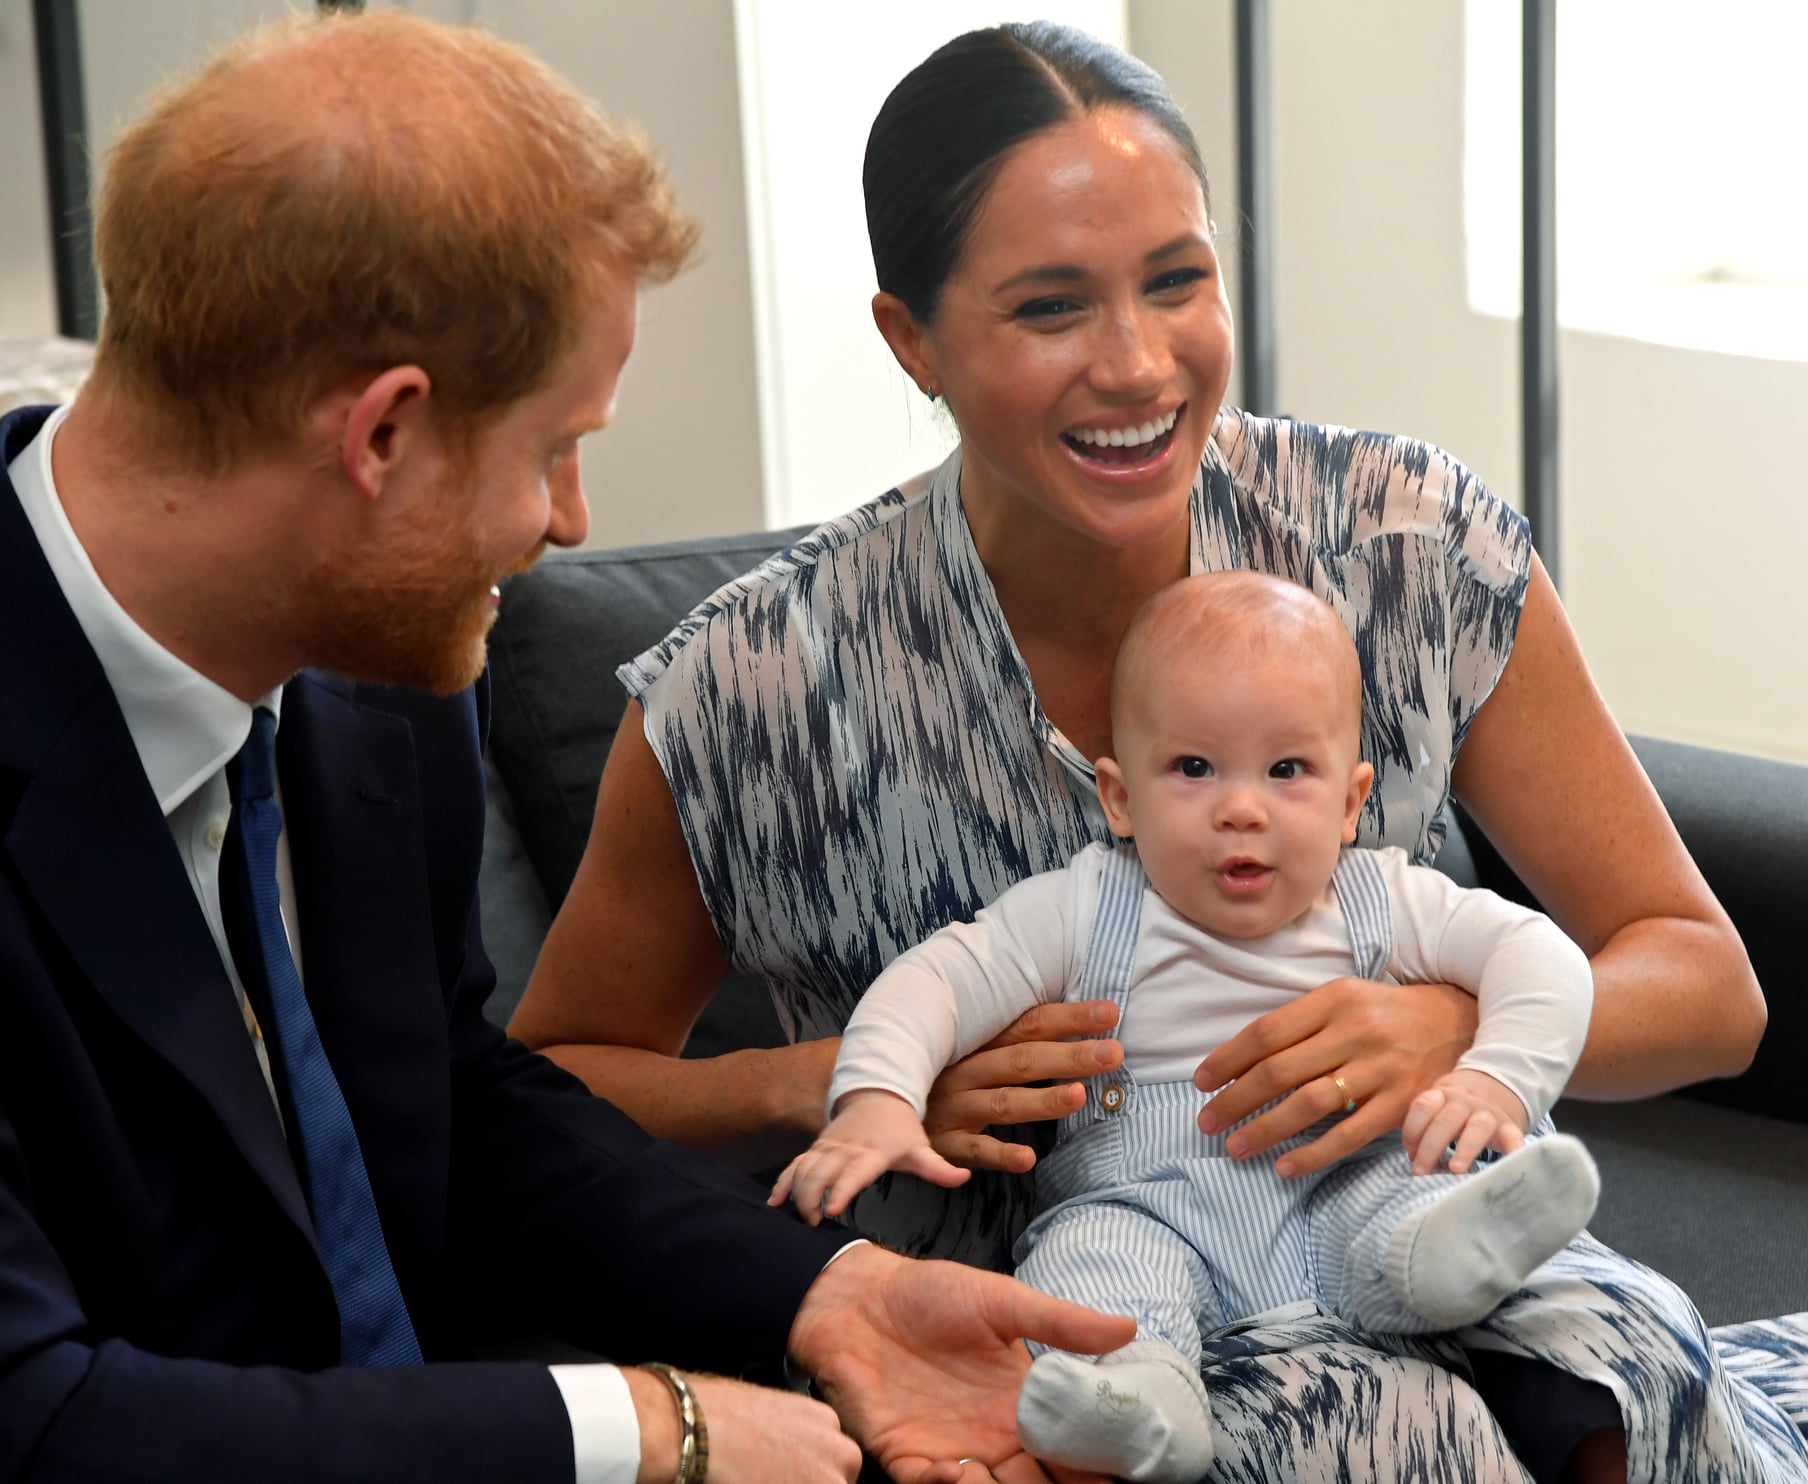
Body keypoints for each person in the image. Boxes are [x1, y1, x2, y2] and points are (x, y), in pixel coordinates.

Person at [509, 19, 1808, 1483]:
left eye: (1179, 281)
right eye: (1049, 309)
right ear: (913, 341)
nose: (1139, 363)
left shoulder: (1405, 546)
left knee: (1635, 1358)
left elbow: (1705, 983)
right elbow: (548, 1087)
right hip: (1044, 1341)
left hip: (1411, 1244)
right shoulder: (750, 686)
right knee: (1385, 1430)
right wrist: (827, 1082)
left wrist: (1448, 1031)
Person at [0, 14, 1140, 1484]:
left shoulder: (380, 688)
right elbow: (41, 1420)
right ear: (385, 436)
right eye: (555, 449)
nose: (573, 523)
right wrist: (643, 1426)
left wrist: (827, 1293)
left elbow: (451, 1103)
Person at [774, 571, 1612, 1483]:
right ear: (1121, 796)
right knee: (1090, 1272)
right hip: (1145, 1205)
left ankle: (1448, 1261)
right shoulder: (1085, 907)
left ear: (1348, 801)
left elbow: (1541, 954)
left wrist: (1498, 1079)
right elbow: (935, 979)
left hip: (1340, 1180)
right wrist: (877, 1099)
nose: (1241, 807)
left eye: (1287, 770)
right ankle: (1141, 1405)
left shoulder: (1383, 899)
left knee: (1407, 1200)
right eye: (1194, 768)